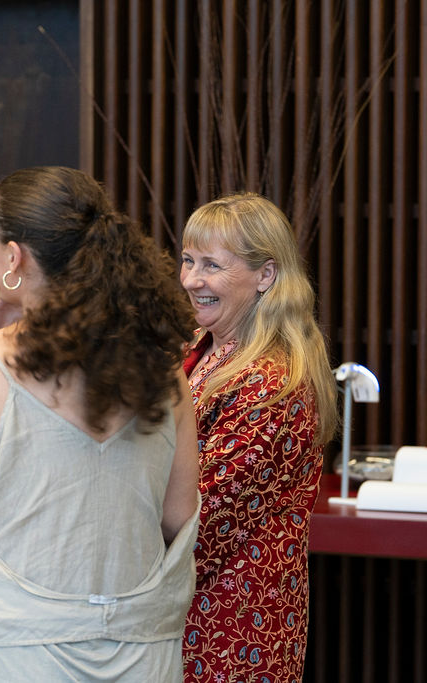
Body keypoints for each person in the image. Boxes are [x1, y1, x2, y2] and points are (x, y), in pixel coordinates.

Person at [0, 166, 201, 680]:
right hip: (140, 657)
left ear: (13, 257)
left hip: (14, 659)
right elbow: (178, 517)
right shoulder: (165, 371)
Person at [178, 193, 339, 683]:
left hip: (229, 634)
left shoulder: (273, 384)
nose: (191, 279)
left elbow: (198, 519)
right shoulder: (200, 348)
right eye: (187, 260)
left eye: (211, 265)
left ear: (266, 276)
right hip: (184, 623)